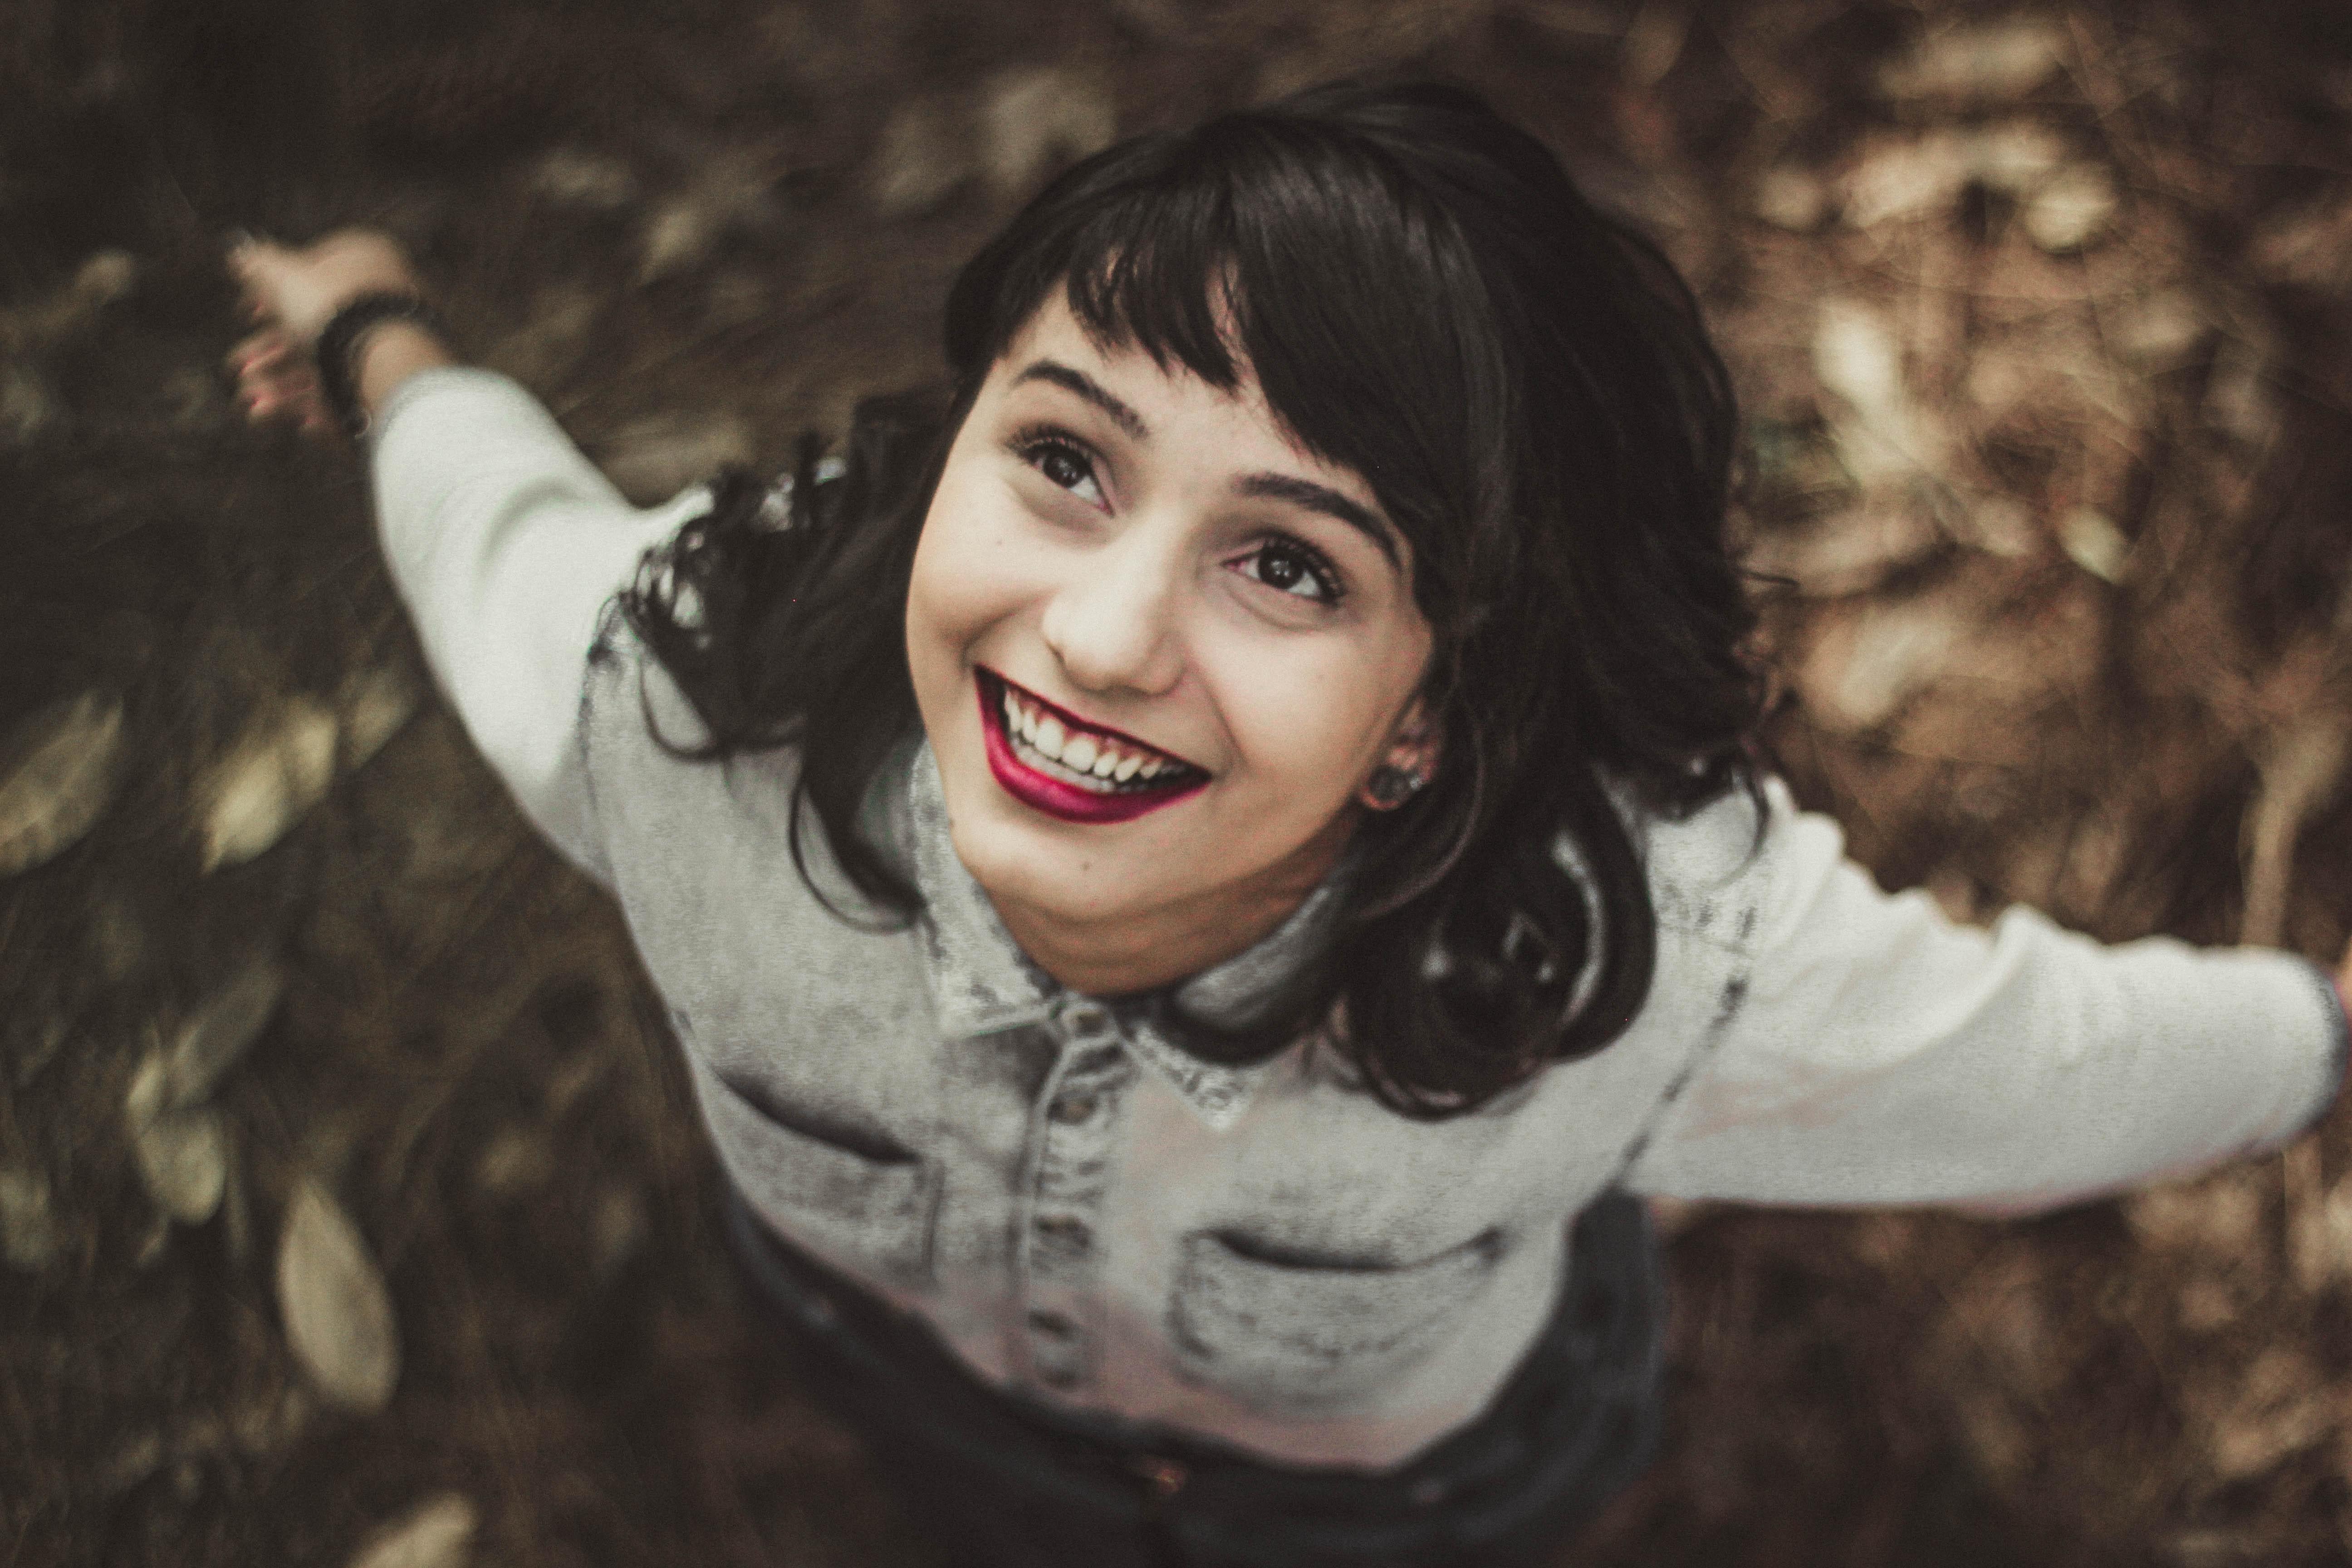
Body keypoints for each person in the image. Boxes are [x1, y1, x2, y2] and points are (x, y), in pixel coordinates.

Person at [226, 80, 2348, 1568]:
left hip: (1413, 1509)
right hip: (914, 1398)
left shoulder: (1646, 967)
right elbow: (494, 532)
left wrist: (2323, 1040)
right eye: (1064, 459)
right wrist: (374, 331)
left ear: (1429, 716)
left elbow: (2036, 1065)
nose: (1104, 631)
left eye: (1294, 569)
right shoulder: (678, 730)